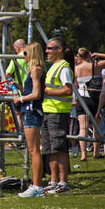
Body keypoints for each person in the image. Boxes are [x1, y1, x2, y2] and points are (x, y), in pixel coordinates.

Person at [12, 42, 46, 197]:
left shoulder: (35, 70)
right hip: (31, 111)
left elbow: (36, 94)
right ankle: (36, 185)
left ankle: (37, 186)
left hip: (31, 112)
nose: (23, 57)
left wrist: (20, 98)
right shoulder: (35, 70)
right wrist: (20, 87)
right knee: (33, 150)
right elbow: (32, 91)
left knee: (34, 150)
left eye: (25, 53)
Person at [41, 37, 74, 194]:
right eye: (46, 48)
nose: (47, 51)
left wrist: (47, 92)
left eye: (50, 48)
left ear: (59, 49)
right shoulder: (53, 66)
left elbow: (68, 90)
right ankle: (54, 181)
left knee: (59, 148)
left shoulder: (64, 68)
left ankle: (63, 183)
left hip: (58, 112)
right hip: (48, 111)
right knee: (50, 149)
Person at [74, 48, 105, 160]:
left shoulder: (76, 69)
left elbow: (75, 84)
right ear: (90, 54)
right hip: (94, 97)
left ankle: (83, 154)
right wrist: (99, 54)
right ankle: (96, 152)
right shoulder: (96, 66)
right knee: (96, 126)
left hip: (81, 97)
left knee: (82, 127)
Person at [6, 39, 29, 131]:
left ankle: (20, 138)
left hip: (20, 91)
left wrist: (11, 82)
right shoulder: (31, 56)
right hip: (31, 89)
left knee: (18, 115)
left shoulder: (17, 58)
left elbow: (7, 73)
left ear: (18, 47)